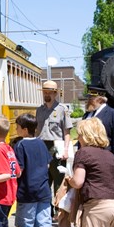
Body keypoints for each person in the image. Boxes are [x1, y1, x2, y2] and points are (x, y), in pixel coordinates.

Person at [10, 113, 56, 227]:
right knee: (44, 221)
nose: (16, 129)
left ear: (24, 129)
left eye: (17, 127)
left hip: (27, 190)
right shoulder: (41, 143)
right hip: (43, 190)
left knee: (21, 222)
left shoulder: (20, 145)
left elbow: (19, 170)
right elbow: (48, 164)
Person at [35, 80, 73, 215]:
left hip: (57, 146)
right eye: (44, 92)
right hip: (42, 146)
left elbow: (67, 132)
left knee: (58, 180)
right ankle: (47, 209)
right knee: (43, 179)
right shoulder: (39, 110)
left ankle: (59, 209)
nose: (46, 95)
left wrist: (66, 150)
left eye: (49, 92)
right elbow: (37, 131)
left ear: (55, 93)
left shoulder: (62, 109)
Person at [83, 90, 114, 163]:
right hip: (86, 158)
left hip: (105, 160)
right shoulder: (87, 115)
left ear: (100, 100)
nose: (88, 101)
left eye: (91, 99)